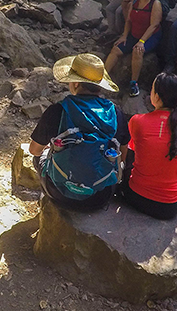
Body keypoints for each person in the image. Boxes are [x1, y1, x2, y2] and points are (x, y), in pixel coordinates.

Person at [28, 53, 130, 212]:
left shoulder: (58, 111)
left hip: (59, 195)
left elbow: (34, 150)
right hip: (100, 197)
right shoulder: (115, 114)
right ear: (100, 85)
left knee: (38, 157)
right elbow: (122, 156)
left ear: (75, 83)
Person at [118, 73, 177, 219]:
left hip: (134, 197)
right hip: (170, 208)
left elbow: (128, 156)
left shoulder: (137, 121)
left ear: (155, 96)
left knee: (132, 151)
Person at [104, 0, 165, 97]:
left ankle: (133, 84)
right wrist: (124, 36)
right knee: (116, 49)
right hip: (134, 34)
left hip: (150, 36)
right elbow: (129, 21)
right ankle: (102, 75)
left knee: (137, 51)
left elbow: (154, 25)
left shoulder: (155, 4)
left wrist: (142, 41)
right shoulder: (135, 1)